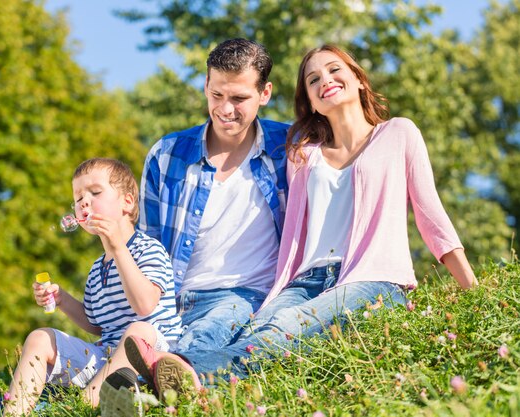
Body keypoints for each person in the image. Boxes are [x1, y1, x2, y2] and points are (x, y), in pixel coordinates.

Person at [123, 44, 479, 394]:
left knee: (284, 328)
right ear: (309, 100)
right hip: (303, 281)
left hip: (372, 277)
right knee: (258, 329)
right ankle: (166, 386)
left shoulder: (398, 133)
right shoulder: (300, 153)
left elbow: (432, 218)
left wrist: (475, 296)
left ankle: (176, 374)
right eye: (312, 79)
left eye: (334, 70)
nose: (325, 79)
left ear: (358, 79)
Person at [0, 158, 181, 417]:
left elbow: (145, 305)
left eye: (95, 192)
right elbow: (95, 325)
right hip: (108, 359)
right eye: (78, 197)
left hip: (152, 359)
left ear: (127, 202)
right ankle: (15, 412)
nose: (83, 202)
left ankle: (82, 406)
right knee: (40, 337)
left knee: (139, 331)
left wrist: (117, 249)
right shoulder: (97, 268)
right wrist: (62, 300)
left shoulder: (148, 249)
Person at [138, 38, 289, 354]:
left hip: (243, 297)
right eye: (217, 94)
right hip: (173, 302)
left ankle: (168, 372)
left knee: (206, 335)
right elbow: (145, 248)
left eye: (239, 98)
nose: (225, 109)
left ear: (265, 93)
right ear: (206, 83)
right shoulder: (166, 156)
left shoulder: (290, 148)